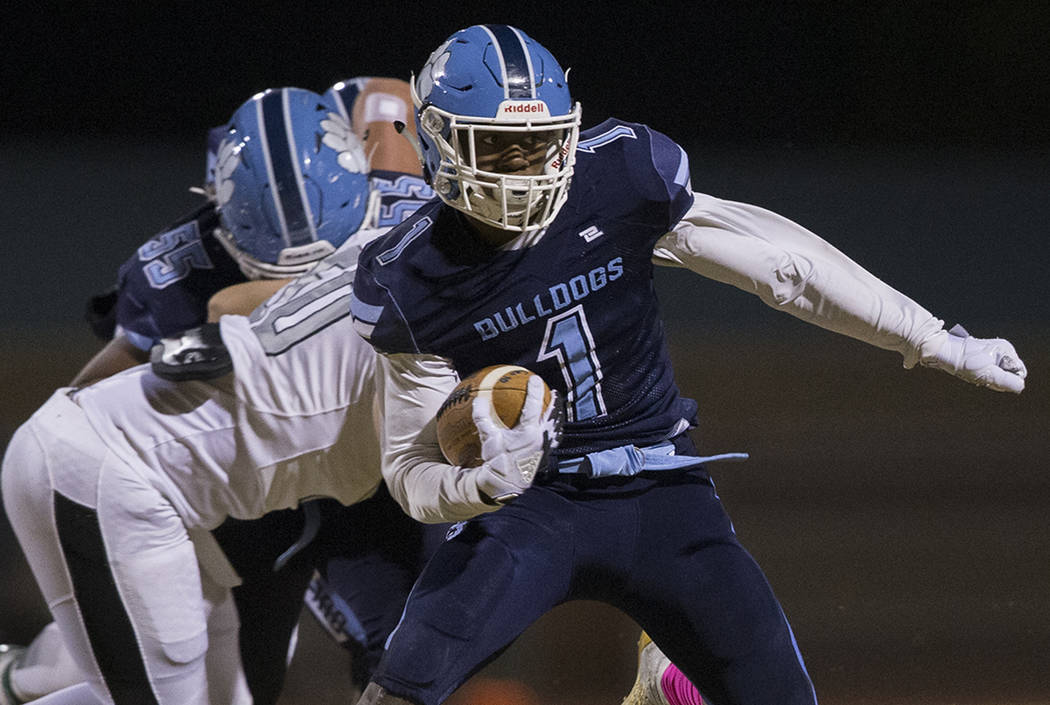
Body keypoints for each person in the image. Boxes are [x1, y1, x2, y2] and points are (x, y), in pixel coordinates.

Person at [348, 24, 1027, 705]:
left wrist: (932, 337)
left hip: (660, 488)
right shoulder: (405, 277)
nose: (527, 167)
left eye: (543, 142)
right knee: (396, 691)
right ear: (436, 142)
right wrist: (486, 485)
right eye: (499, 147)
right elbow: (410, 475)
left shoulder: (620, 177)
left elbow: (786, 268)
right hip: (529, 510)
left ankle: (662, 674)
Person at [0, 82, 437, 705]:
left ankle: (21, 679)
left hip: (344, 469)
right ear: (222, 223)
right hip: (244, 504)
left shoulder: (407, 205)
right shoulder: (178, 269)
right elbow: (82, 414)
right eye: (274, 271)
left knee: (404, 640)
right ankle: (24, 678)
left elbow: (388, 95)